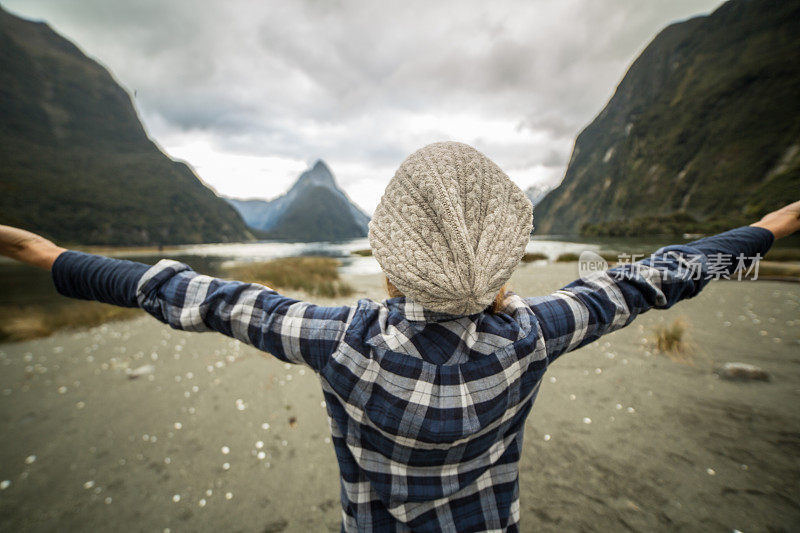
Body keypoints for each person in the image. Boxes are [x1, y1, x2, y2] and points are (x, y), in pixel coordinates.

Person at [0, 141, 798, 532]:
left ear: (387, 264)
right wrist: (759, 232)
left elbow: (194, 295)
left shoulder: (339, 337)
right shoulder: (533, 332)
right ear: (500, 271)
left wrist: (56, 259)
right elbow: (652, 277)